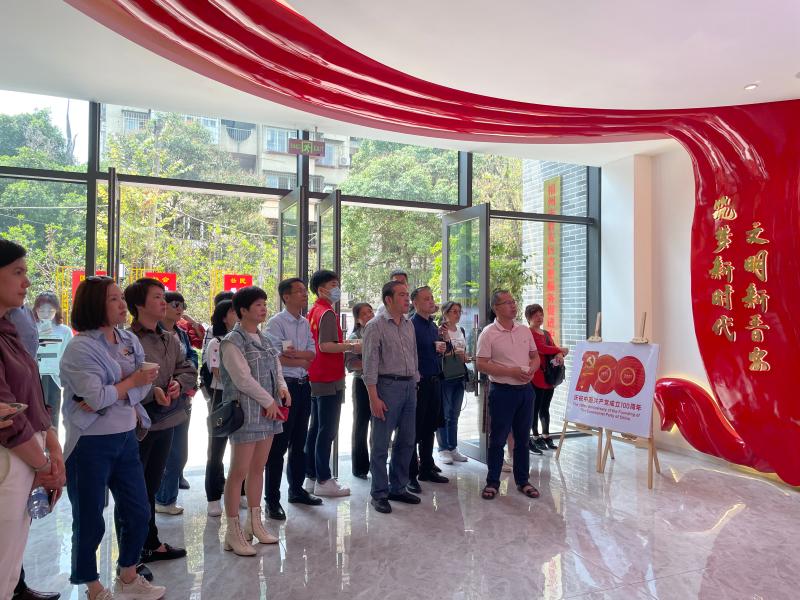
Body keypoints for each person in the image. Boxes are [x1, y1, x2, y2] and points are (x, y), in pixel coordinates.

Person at [60, 276, 165, 600]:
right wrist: (129, 383)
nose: (122, 305)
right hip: (89, 443)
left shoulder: (127, 339)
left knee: (138, 511)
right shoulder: (80, 347)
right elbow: (98, 396)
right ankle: (92, 586)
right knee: (89, 518)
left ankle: (128, 576)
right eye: (114, 299)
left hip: (125, 437)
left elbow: (141, 388)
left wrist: (117, 390)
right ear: (95, 305)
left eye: (121, 297)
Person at [0, 240, 65, 600]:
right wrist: (43, 465)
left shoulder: (9, 328)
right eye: (17, 272)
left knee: (10, 568)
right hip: (12, 456)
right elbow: (7, 415)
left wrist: (50, 439)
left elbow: (29, 395)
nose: (26, 282)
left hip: (26, 455)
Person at [122, 277, 197, 565]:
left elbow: (188, 369)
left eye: (163, 296)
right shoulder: (128, 341)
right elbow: (124, 382)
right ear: (138, 305)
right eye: (156, 297)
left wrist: (178, 383)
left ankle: (150, 543)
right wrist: (152, 392)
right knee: (133, 490)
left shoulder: (170, 338)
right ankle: (131, 555)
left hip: (167, 420)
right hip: (138, 425)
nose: (163, 302)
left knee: (151, 486)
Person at [219, 286, 289, 556]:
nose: (263, 309)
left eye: (264, 304)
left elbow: (277, 369)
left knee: (258, 468)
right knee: (238, 471)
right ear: (243, 310)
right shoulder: (232, 341)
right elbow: (242, 379)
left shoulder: (266, 339)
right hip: (246, 412)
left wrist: (282, 388)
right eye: (257, 305)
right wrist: (268, 401)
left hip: (269, 411)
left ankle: (254, 523)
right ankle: (233, 531)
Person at [264, 278, 322, 520]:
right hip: (284, 388)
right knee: (278, 445)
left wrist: (297, 357)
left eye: (304, 291)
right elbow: (274, 357)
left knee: (299, 442)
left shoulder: (304, 322)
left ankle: (296, 490)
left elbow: (313, 354)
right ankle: (272, 500)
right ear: (286, 296)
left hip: (303, 386)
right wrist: (301, 358)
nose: (304, 294)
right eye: (299, 291)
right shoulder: (276, 323)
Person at [475, 290, 541, 501]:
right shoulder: (488, 333)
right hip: (502, 391)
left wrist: (532, 369)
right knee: (497, 439)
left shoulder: (524, 330)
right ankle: (492, 482)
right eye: (507, 302)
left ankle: (523, 481)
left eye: (514, 302)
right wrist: (511, 372)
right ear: (496, 308)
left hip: (525, 391)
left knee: (523, 439)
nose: (513, 305)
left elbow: (535, 356)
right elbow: (481, 364)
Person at [362, 281, 420, 514]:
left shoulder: (408, 323)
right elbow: (369, 365)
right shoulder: (375, 326)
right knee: (380, 443)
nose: (407, 299)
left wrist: (415, 381)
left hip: (409, 387)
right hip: (387, 387)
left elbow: (414, 355)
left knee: (407, 440)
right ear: (388, 299)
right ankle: (379, 493)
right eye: (402, 295)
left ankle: (398, 487)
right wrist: (373, 397)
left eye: (407, 294)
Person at [304, 270, 354, 497]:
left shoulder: (314, 311)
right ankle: (324, 479)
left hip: (316, 375)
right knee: (327, 429)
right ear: (321, 289)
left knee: (316, 428)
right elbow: (326, 346)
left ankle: (312, 476)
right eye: (333, 284)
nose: (337, 289)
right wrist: (352, 346)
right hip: (328, 376)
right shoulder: (327, 313)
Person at [155, 291, 199, 513]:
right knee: (165, 452)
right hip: (160, 398)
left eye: (182, 305)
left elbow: (192, 358)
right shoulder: (153, 332)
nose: (179, 308)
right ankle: (162, 498)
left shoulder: (181, 333)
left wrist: (182, 380)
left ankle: (167, 497)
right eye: (174, 304)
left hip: (181, 396)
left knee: (179, 451)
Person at [408, 286, 449, 492]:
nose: (431, 301)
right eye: (426, 299)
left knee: (430, 427)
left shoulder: (433, 326)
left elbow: (439, 351)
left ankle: (426, 467)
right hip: (419, 383)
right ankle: (410, 474)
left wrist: (443, 344)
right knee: (414, 430)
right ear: (415, 303)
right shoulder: (410, 325)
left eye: (432, 297)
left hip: (434, 381)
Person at [204, 299, 238, 517]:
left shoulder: (241, 339)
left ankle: (240, 492)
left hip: (240, 397)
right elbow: (218, 373)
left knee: (241, 449)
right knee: (216, 451)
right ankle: (213, 497)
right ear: (224, 317)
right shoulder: (216, 342)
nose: (238, 315)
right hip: (222, 399)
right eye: (233, 312)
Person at [525, 303, 569, 451]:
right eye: (535, 315)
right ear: (529, 318)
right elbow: (542, 349)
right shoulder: (528, 333)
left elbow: (553, 347)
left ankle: (546, 436)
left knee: (545, 407)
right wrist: (560, 349)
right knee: (534, 408)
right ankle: (535, 436)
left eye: (541, 314)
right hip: (536, 375)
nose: (539, 317)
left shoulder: (546, 333)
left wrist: (559, 353)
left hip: (549, 375)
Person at [32, 292, 72, 430]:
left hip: (55, 377)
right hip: (35, 376)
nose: (45, 314)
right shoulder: (30, 328)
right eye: (41, 310)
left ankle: (53, 442)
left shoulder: (64, 331)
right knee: (35, 414)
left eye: (50, 310)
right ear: (36, 310)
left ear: (57, 310)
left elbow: (67, 356)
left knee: (53, 414)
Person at [436, 301, 469, 465]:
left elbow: (463, 351)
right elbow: (439, 352)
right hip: (445, 375)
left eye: (459, 311)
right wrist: (452, 348)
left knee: (454, 414)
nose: (457, 314)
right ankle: (443, 448)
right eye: (454, 311)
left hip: (459, 374)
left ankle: (453, 447)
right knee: (444, 413)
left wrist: (465, 356)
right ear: (445, 313)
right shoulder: (440, 331)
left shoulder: (461, 330)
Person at [345, 302, 373, 479]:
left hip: (380, 384)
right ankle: (360, 467)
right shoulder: (355, 336)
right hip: (361, 384)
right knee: (361, 424)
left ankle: (377, 464)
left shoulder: (380, 332)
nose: (369, 315)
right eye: (364, 313)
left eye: (370, 311)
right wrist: (372, 363)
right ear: (357, 319)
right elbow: (351, 364)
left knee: (379, 425)